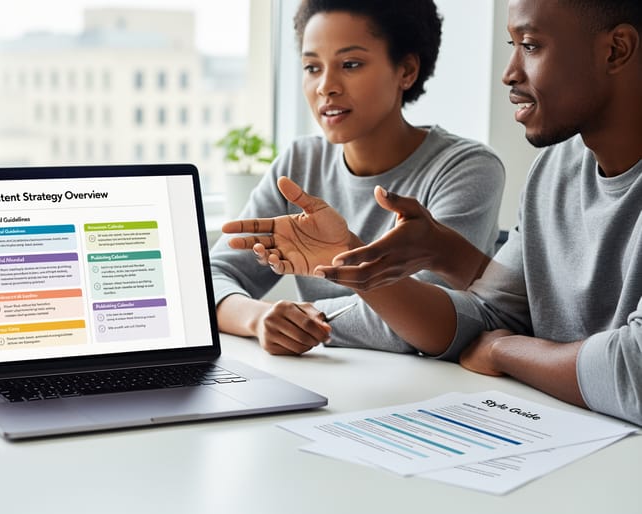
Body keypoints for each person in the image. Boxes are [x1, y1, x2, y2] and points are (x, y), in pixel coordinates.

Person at [224, 0, 642, 426]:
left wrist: (503, 351)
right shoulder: (555, 169)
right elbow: (502, 311)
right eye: (512, 44)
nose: (509, 73)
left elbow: (633, 369)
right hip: (565, 427)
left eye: (531, 46)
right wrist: (362, 256)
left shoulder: (467, 166)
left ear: (616, 50)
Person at [210, 0, 505, 356]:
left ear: (406, 70)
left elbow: (430, 320)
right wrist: (258, 319)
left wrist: (303, 322)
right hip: (328, 376)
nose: (325, 86)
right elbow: (210, 279)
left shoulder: (465, 168)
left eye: (350, 64)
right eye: (311, 67)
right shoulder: (301, 162)